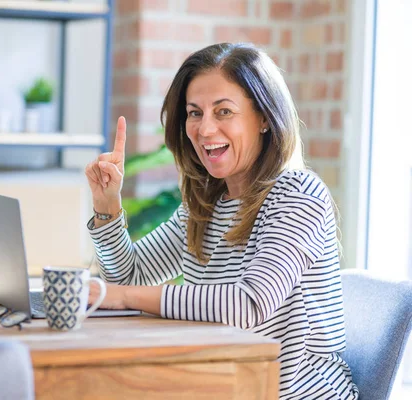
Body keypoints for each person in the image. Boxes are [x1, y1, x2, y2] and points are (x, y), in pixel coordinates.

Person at [84, 43, 358, 399]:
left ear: (263, 118)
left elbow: (249, 305)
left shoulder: (298, 194)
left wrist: (121, 296)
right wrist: (108, 208)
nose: (205, 129)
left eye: (224, 111)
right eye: (194, 113)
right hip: (223, 386)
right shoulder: (206, 203)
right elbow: (129, 278)